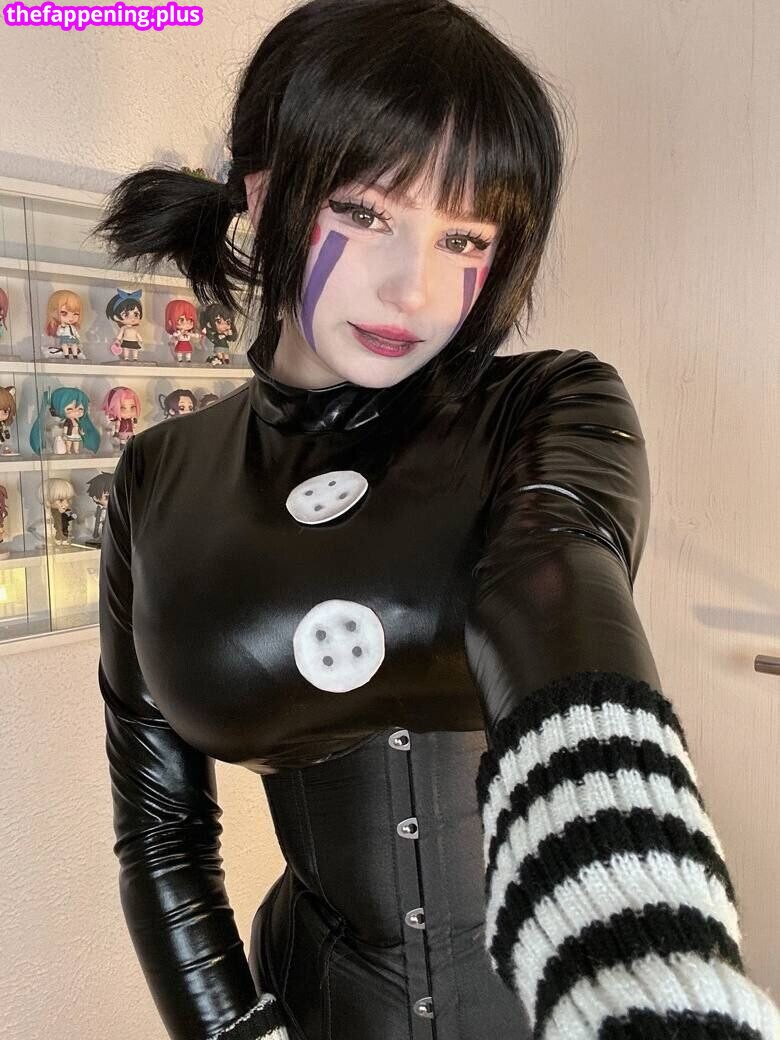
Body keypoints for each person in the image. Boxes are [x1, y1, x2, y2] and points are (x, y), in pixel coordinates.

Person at [92, 1, 780, 1039]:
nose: (412, 288)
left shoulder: (544, 406)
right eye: (365, 211)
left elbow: (556, 586)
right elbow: (160, 833)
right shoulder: (158, 476)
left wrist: (642, 958)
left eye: (463, 236)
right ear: (264, 190)